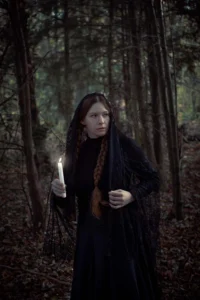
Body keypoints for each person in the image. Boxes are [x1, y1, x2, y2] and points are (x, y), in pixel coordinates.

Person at [44, 92, 161, 300]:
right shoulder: (77, 153)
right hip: (90, 234)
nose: (101, 121)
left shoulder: (124, 146)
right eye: (94, 116)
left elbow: (153, 179)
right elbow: (68, 200)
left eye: (105, 115)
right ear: (82, 121)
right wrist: (59, 192)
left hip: (122, 232)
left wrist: (131, 195)